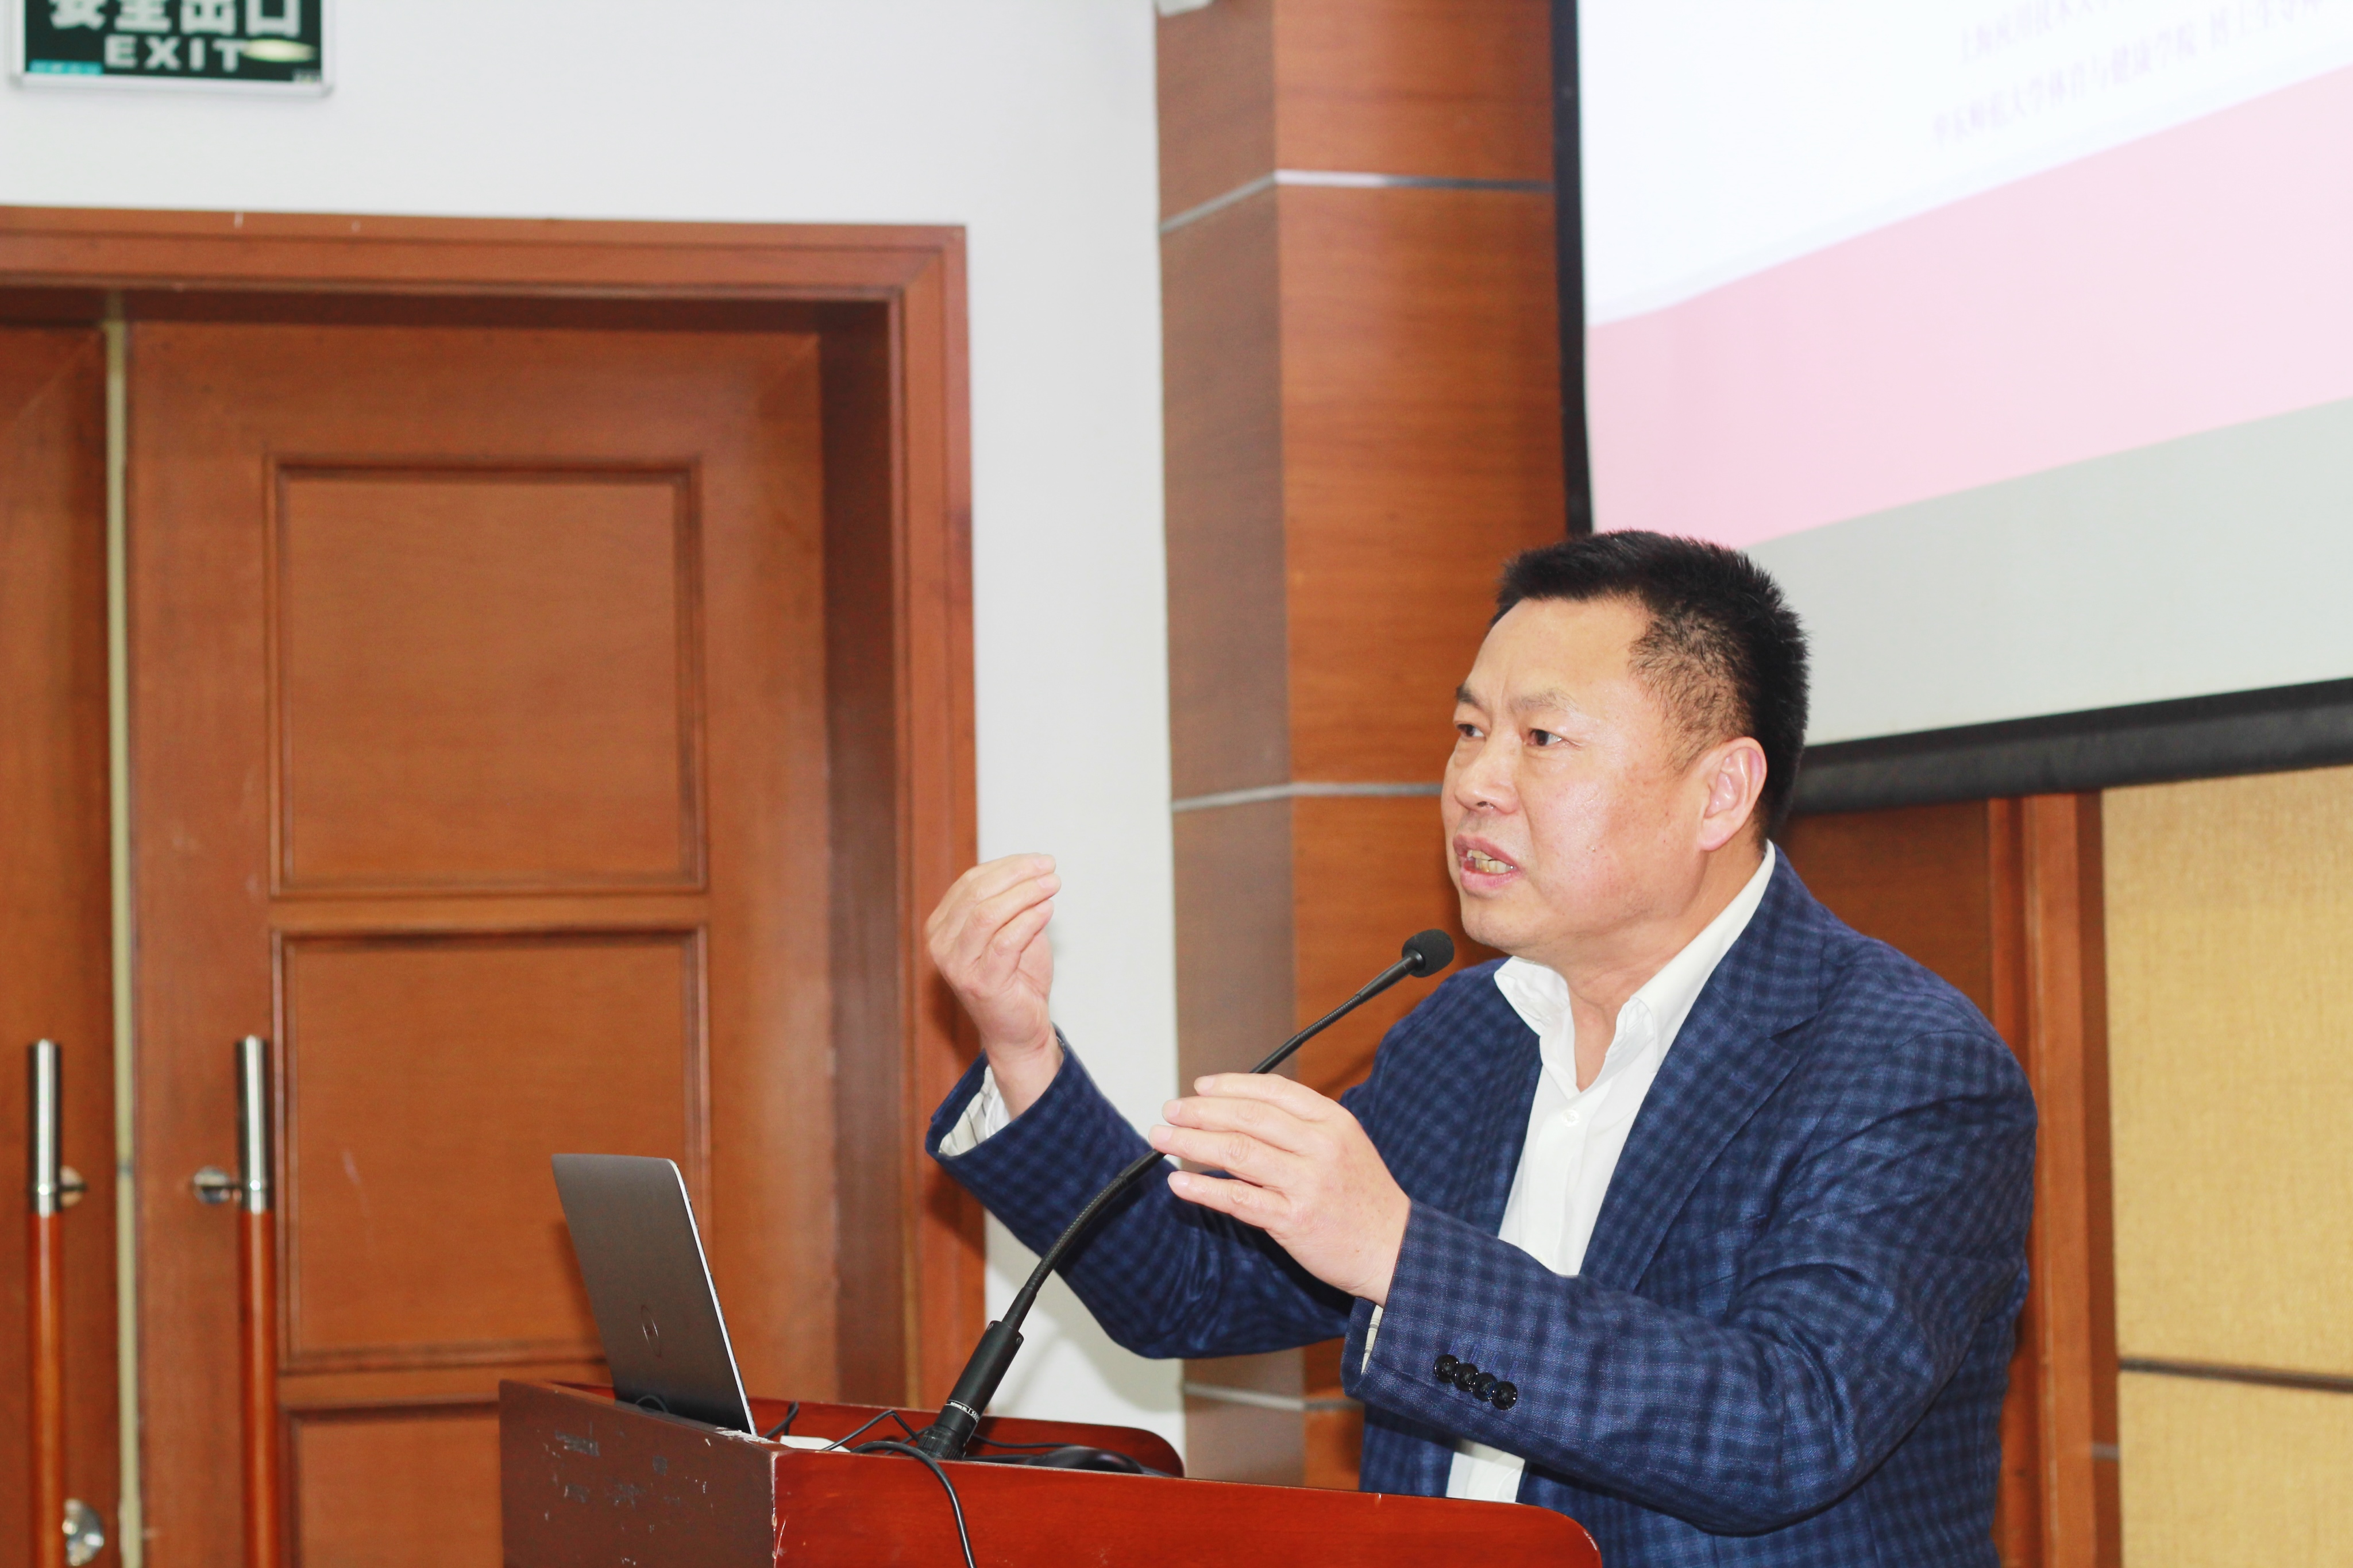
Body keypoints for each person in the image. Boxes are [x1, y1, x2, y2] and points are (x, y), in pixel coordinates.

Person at [923, 531, 2035, 1566]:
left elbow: (1786, 1425)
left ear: (1720, 792)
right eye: (1469, 731)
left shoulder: (1905, 1068)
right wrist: (1025, 1051)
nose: (1474, 784)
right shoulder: (1465, 1034)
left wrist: (1399, 1256)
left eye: (1541, 739)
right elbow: (1190, 1290)